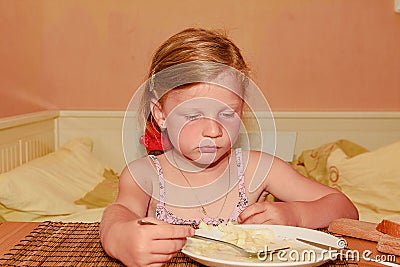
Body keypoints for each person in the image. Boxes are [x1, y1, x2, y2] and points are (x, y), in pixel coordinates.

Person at [100, 28, 358, 267]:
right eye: (193, 116)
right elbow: (119, 213)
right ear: (161, 113)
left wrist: (296, 214)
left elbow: (344, 207)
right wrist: (120, 238)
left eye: (227, 114)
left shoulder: (259, 169)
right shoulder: (144, 175)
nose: (213, 130)